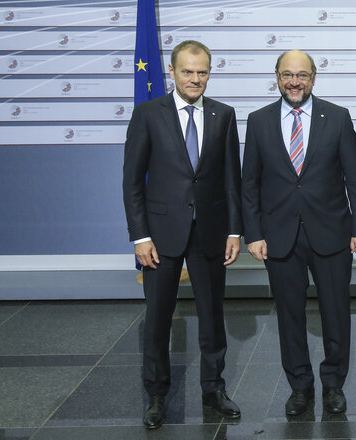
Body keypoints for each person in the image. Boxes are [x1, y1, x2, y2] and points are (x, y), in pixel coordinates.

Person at [241, 50, 356, 416]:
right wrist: (253, 233)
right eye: (287, 75)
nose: (294, 82)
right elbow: (249, 183)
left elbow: (355, 180)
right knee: (289, 316)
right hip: (278, 236)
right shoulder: (259, 120)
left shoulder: (338, 117)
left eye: (301, 75)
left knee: (336, 313)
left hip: (331, 234)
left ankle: (333, 384)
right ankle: (299, 386)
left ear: (313, 78)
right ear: (277, 77)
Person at [123, 40, 243, 429]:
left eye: (202, 71)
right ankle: (156, 395)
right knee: (158, 319)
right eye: (188, 71)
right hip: (160, 236)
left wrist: (234, 230)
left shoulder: (224, 115)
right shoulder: (147, 115)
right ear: (172, 72)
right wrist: (140, 236)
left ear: (210, 73)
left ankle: (214, 388)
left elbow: (231, 180)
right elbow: (132, 182)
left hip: (209, 232)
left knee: (212, 316)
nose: (195, 79)